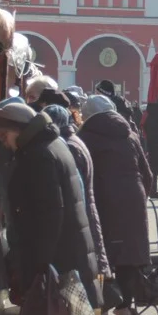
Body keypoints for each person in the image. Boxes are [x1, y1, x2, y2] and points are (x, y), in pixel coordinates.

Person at [0, 100, 100, 315]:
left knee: (54, 311)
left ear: (18, 129)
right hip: (71, 245)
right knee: (72, 312)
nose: (3, 142)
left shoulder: (38, 155)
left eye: (3, 135)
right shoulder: (54, 144)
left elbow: (50, 211)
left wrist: (41, 259)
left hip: (57, 249)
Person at [78, 95, 153, 315]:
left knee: (102, 257)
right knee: (128, 257)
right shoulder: (130, 135)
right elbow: (147, 173)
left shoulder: (85, 138)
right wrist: (140, 196)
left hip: (101, 200)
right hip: (133, 199)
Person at [45, 104, 111, 290]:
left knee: (81, 285)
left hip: (80, 218)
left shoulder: (70, 146)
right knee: (90, 276)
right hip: (88, 214)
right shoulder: (75, 141)